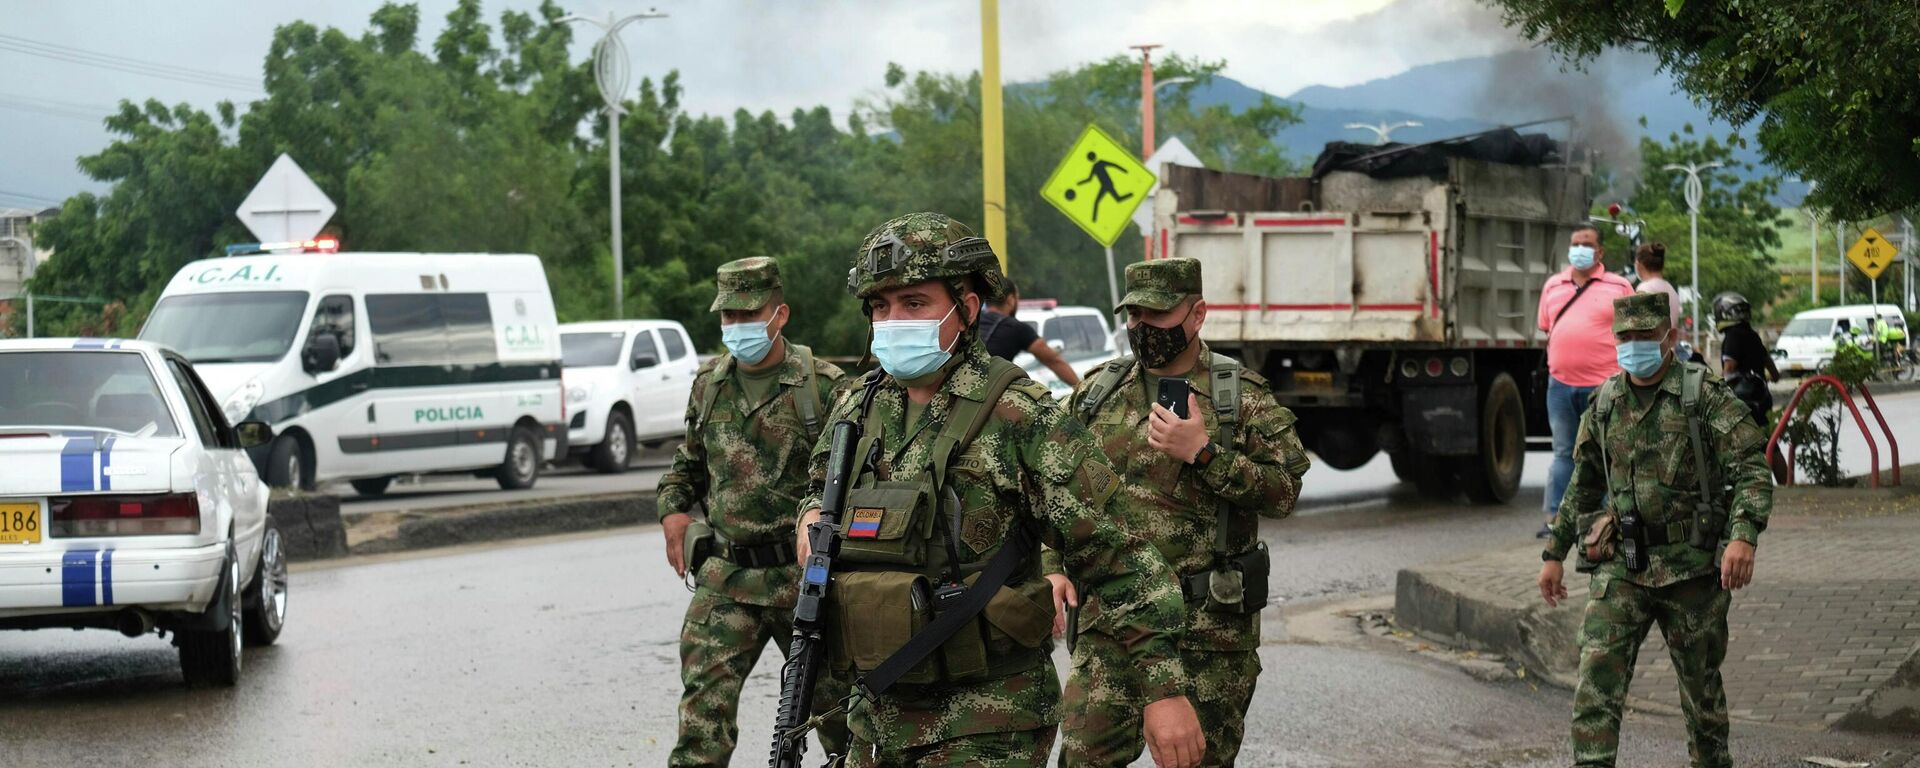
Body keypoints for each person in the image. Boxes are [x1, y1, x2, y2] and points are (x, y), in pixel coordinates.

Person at [793, 212, 1205, 768]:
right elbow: (821, 489)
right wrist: (811, 514)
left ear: (965, 308)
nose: (892, 321)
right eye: (880, 307)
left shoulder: (1020, 415)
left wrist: (1164, 691)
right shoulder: (859, 406)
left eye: (914, 303)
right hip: (876, 714)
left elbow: (1120, 555)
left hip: (988, 721)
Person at [1056, 258, 1311, 767]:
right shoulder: (1096, 394)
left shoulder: (1240, 398)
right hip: (1114, 629)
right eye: (1134, 317)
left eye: (1157, 315)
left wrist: (1204, 453)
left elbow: (1284, 492)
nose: (1143, 329)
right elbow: (1053, 487)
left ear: (1197, 316)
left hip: (1206, 632)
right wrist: (1050, 564)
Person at [1537, 291, 1773, 768]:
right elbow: (1583, 481)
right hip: (1623, 567)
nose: (1634, 345)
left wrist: (1743, 536)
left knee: (1701, 694)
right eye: (1625, 336)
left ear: (1669, 337)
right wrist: (1553, 552)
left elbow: (1751, 466)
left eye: (1645, 335)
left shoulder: (1702, 395)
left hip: (1691, 570)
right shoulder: (1605, 402)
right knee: (1595, 684)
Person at [656, 257, 851, 767]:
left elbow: (854, 481)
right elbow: (688, 465)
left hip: (804, 580)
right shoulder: (709, 384)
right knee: (701, 723)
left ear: (779, 314)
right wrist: (672, 510)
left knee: (845, 723)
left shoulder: (825, 387)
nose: (738, 328)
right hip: (726, 577)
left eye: (749, 315)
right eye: (729, 318)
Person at [1536, 225, 1637, 538]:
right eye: (1575, 243)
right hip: (1560, 385)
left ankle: (1609, 521)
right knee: (1564, 453)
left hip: (1604, 387)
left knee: (1608, 452)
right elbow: (1545, 328)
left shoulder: (1618, 286)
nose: (1579, 249)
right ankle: (1559, 520)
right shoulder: (1553, 286)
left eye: (1587, 244)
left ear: (1600, 252)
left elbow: (1635, 330)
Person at [978, 277, 1081, 386]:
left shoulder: (973, 321)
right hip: (987, 392)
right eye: (1017, 297)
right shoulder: (1016, 328)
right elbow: (1053, 360)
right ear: (1011, 299)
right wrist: (1080, 388)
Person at [1712, 292, 1779, 428]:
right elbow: (1770, 365)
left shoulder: (1732, 336)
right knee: (1766, 438)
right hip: (1763, 397)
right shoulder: (1752, 335)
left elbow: (1729, 368)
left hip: (1742, 402)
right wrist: (1774, 376)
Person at [1633, 242, 1682, 330]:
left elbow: (1640, 327)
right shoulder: (1671, 290)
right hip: (1669, 342)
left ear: (1639, 265)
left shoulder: (1644, 288)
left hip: (1652, 343)